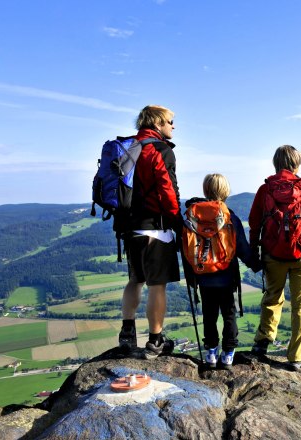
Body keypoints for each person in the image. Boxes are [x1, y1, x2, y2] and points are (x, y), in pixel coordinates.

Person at [248, 145, 301, 372]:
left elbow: (255, 222)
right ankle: (296, 357)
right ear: (296, 164)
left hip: (273, 254)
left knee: (273, 296)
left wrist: (255, 247)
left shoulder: (265, 190)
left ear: (276, 163)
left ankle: (263, 341)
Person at [117, 105, 182, 360]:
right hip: (156, 228)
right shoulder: (160, 150)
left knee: (135, 280)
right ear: (157, 123)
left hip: (129, 227)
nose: (173, 126)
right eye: (170, 121)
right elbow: (167, 189)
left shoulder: (128, 147)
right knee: (157, 285)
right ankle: (155, 341)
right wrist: (177, 220)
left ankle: (126, 333)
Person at [190, 173, 252, 369]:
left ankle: (210, 354)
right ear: (225, 191)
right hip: (226, 276)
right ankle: (228, 355)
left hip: (203, 276)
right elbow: (242, 247)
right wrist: (258, 265)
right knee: (229, 314)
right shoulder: (229, 217)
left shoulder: (194, 216)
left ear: (205, 190)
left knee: (209, 314)